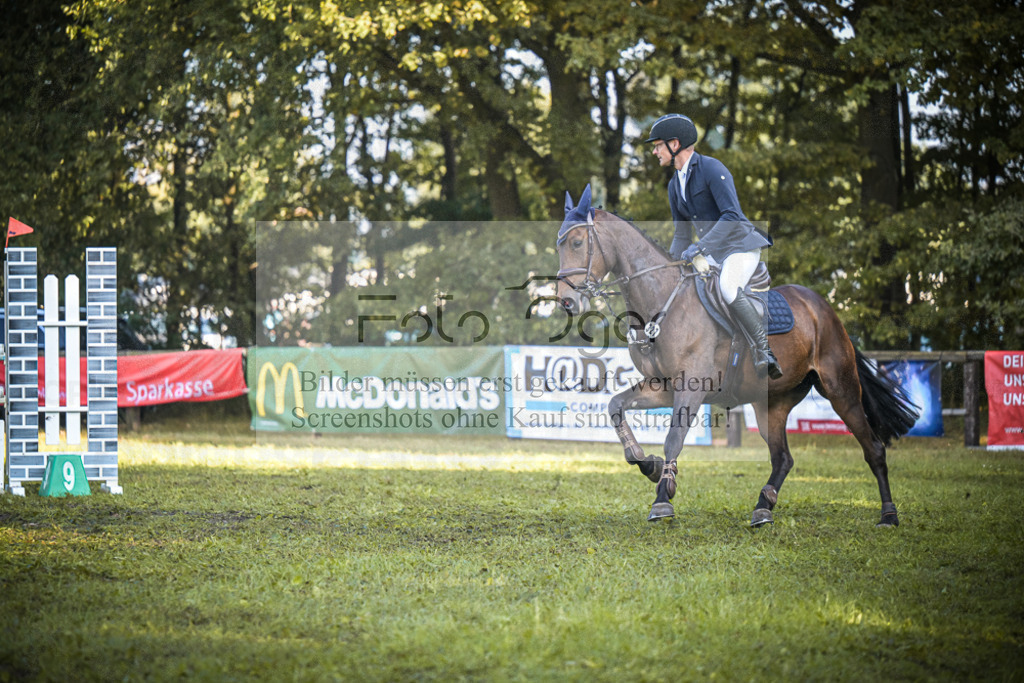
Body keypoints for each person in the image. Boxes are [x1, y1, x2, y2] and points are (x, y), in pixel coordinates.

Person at [646, 113, 782, 379]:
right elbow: (682, 234)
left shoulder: (711, 169)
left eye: (658, 145)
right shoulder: (675, 185)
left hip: (740, 246)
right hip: (712, 253)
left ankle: (763, 350)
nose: (654, 151)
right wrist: (669, 266)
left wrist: (701, 247)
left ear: (675, 144)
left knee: (728, 288)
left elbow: (731, 215)